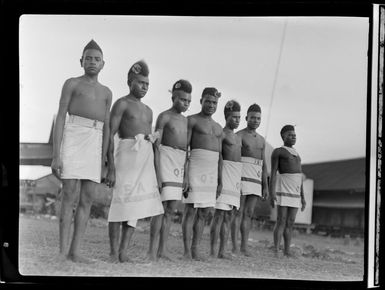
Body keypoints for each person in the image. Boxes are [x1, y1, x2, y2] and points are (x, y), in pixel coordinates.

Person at [51, 39, 112, 263]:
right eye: (88, 58)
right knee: (69, 195)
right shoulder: (72, 83)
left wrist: (104, 158)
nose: (92, 62)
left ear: (103, 64)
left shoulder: (107, 92)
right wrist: (56, 154)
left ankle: (75, 251)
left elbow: (106, 127)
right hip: (74, 136)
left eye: (97, 59)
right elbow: (60, 118)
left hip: (95, 143)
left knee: (87, 199)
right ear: (81, 61)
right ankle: (61, 252)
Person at [105, 60, 164, 263]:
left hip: (144, 160)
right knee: (119, 203)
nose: (144, 87)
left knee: (135, 209)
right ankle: (113, 252)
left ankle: (123, 252)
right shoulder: (121, 103)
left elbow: (152, 142)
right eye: (140, 83)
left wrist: (156, 173)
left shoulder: (149, 111)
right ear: (130, 81)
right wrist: (110, 167)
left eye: (147, 84)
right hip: (125, 156)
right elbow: (110, 134)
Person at [149, 80, 192, 261]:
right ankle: (151, 250)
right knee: (159, 208)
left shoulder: (186, 121)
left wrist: (186, 175)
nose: (185, 103)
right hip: (165, 159)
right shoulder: (164, 116)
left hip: (179, 163)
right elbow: (156, 146)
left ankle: (163, 249)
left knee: (171, 210)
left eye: (188, 101)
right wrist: (158, 174)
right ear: (173, 97)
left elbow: (187, 150)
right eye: (182, 99)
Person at [182, 87, 223, 261]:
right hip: (195, 166)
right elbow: (185, 148)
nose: (211, 105)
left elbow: (220, 156)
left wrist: (220, 180)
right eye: (208, 101)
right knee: (190, 210)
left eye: (214, 102)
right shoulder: (191, 121)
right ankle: (186, 250)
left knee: (205, 212)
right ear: (201, 101)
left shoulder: (218, 127)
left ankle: (195, 248)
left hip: (211, 171)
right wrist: (184, 175)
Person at [231, 103, 268, 257]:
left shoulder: (261, 140)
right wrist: (235, 179)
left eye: (258, 118)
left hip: (256, 178)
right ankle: (234, 246)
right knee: (237, 212)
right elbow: (233, 157)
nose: (255, 120)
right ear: (246, 118)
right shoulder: (239, 135)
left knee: (249, 213)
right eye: (252, 117)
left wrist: (264, 185)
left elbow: (264, 163)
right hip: (241, 175)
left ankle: (245, 246)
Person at [209, 100, 242, 259]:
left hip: (235, 176)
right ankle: (213, 250)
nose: (237, 120)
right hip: (224, 172)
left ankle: (222, 250)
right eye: (234, 117)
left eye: (239, 117)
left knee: (229, 215)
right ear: (227, 116)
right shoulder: (221, 134)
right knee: (219, 215)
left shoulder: (238, 137)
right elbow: (219, 157)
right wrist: (219, 180)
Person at [269, 125, 306, 257]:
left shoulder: (297, 154)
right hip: (283, 188)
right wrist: (271, 192)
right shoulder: (278, 151)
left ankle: (287, 250)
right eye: (290, 134)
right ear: (283, 136)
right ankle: (276, 250)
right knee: (281, 220)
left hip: (295, 192)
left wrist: (303, 196)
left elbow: (300, 176)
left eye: (294, 134)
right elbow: (273, 173)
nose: (293, 136)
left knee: (290, 222)